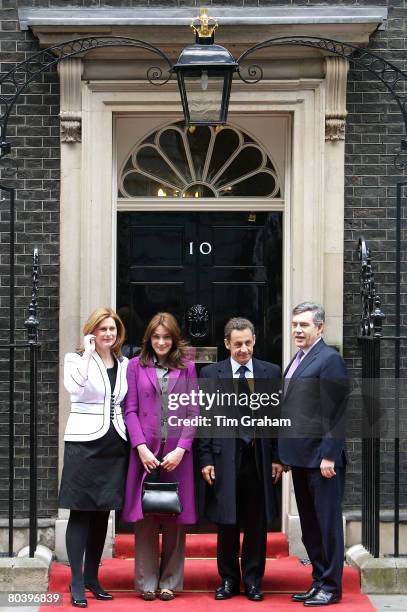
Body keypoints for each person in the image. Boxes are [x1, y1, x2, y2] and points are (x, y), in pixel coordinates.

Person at [199, 317, 283, 602]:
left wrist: (277, 458)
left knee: (256, 522)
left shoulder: (270, 372)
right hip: (225, 458)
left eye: (248, 343)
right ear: (226, 344)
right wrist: (206, 458)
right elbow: (205, 420)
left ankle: (254, 579)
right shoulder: (211, 373)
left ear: (255, 340)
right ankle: (229, 580)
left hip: (258, 459)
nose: (243, 349)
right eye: (237, 344)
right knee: (227, 522)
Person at [122, 312, 198, 601]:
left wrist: (182, 449)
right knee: (146, 517)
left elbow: (194, 412)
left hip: (177, 452)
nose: (162, 342)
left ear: (174, 338)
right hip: (145, 451)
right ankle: (146, 582)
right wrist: (140, 446)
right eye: (156, 337)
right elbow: (129, 410)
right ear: (149, 338)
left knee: (175, 516)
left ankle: (170, 581)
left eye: (166, 337)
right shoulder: (134, 366)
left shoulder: (188, 368)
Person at [278, 302, 349, 607]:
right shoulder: (298, 358)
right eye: (295, 324)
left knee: (327, 525)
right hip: (301, 459)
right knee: (310, 524)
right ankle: (319, 580)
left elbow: (338, 412)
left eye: (304, 325)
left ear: (320, 328)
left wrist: (329, 456)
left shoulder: (329, 359)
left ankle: (332, 587)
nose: (297, 329)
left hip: (322, 462)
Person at [59, 308, 129, 608]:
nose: (108, 334)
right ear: (92, 332)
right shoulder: (75, 360)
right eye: (102, 329)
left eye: (112, 329)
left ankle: (92, 577)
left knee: (103, 510)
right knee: (80, 511)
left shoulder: (125, 363)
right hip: (84, 443)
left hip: (114, 442)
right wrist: (88, 353)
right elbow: (74, 386)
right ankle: (75, 580)